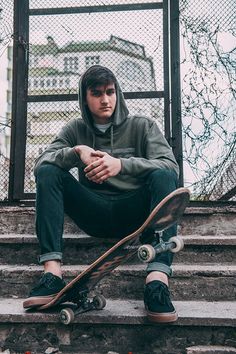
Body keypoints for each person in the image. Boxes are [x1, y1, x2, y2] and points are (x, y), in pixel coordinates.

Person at [23, 65, 180, 323]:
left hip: (135, 214)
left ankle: (157, 280)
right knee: (49, 172)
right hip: (93, 212)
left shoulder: (142, 126)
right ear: (84, 98)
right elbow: (41, 165)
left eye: (110, 92)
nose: (105, 100)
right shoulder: (75, 129)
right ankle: (52, 274)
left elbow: (171, 167)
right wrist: (76, 152)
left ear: (117, 93)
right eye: (96, 93)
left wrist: (122, 164)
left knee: (163, 176)